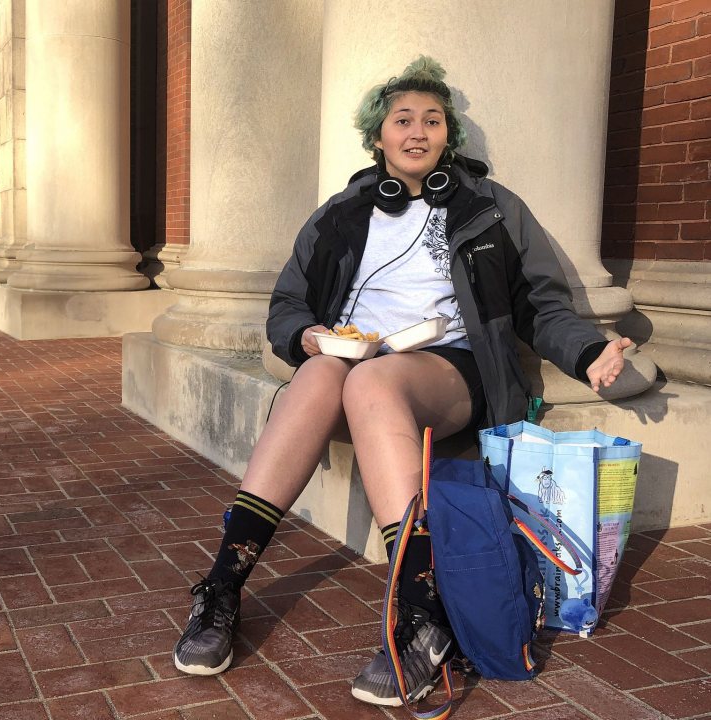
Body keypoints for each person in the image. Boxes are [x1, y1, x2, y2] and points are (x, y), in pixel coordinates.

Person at [172, 56, 631, 707]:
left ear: (449, 136)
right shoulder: (342, 214)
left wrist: (588, 353)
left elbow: (540, 303)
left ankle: (419, 616)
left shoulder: (489, 209)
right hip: (352, 363)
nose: (417, 131)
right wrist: (304, 336)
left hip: (446, 372)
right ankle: (221, 586)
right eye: (402, 119)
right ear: (378, 135)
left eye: (432, 120)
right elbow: (288, 305)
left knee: (370, 384)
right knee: (321, 375)